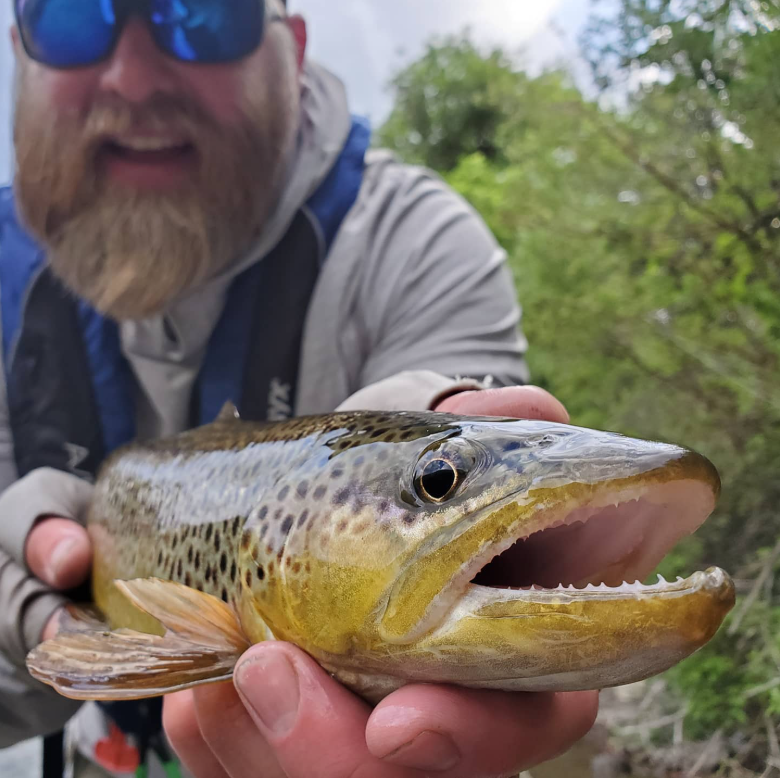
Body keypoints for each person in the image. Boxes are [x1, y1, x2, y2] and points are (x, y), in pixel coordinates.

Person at [0, 0, 598, 776]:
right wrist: (37, 628)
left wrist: (425, 436)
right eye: (72, 17)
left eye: (204, 16)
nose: (134, 77)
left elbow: (497, 568)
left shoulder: (417, 249)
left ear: (296, 47)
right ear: (20, 52)